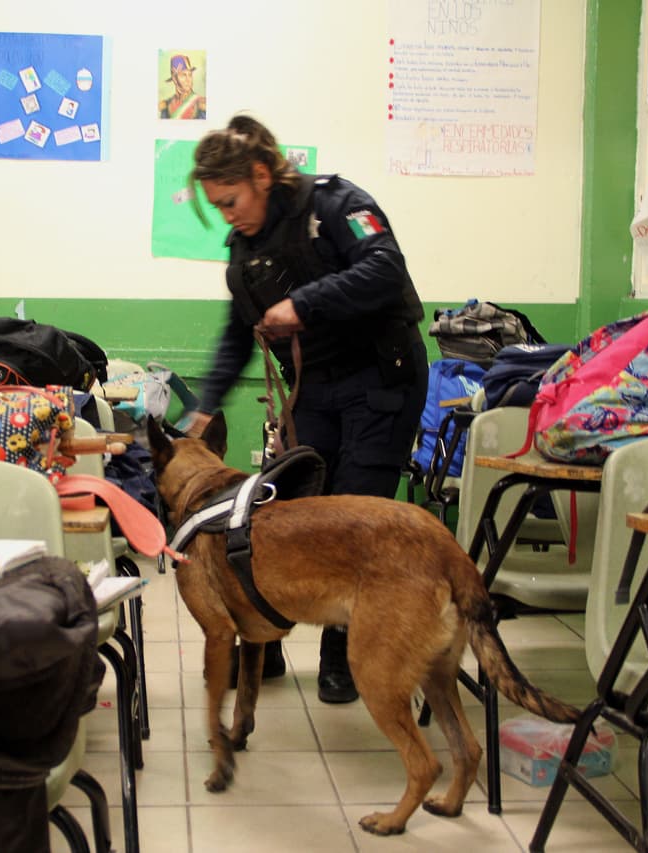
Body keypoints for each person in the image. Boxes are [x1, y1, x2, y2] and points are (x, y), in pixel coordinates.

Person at [184, 114, 428, 704]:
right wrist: (206, 407)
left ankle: (342, 657)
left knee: (355, 522)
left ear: (262, 175)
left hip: (380, 379)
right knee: (289, 517)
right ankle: (265, 641)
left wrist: (303, 305)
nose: (228, 214)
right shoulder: (245, 246)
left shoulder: (338, 204)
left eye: (231, 200)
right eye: (217, 206)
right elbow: (237, 333)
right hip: (314, 388)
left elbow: (385, 269)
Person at [159, 54, 206, 120]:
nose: (188, 79)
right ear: (175, 79)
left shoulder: (202, 104)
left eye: (190, 75)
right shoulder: (166, 106)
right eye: (183, 75)